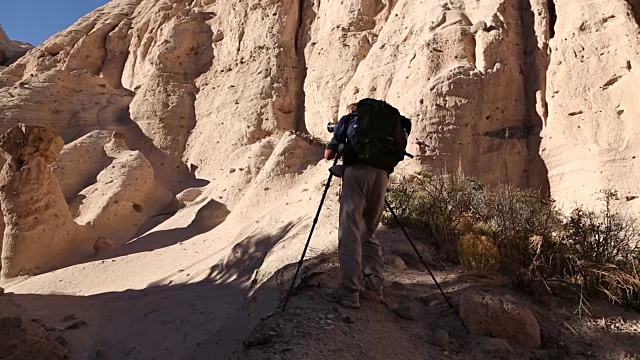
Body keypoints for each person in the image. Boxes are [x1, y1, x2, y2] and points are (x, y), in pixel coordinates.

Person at [321, 102, 411, 309]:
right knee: (368, 231)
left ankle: (349, 292)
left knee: (350, 231)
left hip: (357, 174)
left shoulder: (349, 120)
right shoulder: (390, 125)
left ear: (353, 112)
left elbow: (328, 156)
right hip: (382, 176)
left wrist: (339, 141)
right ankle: (374, 286)